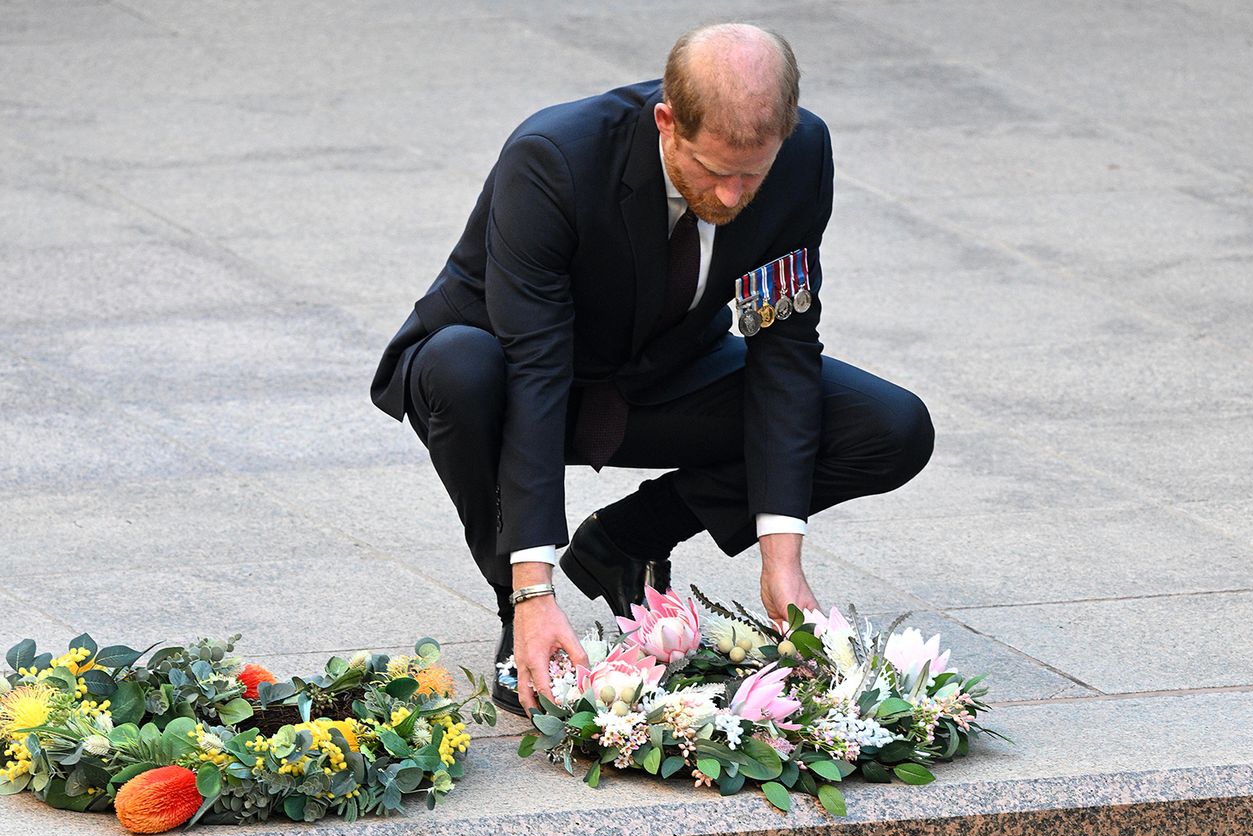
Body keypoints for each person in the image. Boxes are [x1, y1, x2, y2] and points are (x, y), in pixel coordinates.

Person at [370, 23, 934, 717]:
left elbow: (781, 342)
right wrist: (531, 588)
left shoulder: (801, 155)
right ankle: (522, 617)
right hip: (515, 374)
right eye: (713, 171)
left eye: (750, 175)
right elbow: (535, 371)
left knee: (891, 426)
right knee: (460, 367)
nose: (731, 197)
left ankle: (627, 538)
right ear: (666, 122)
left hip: (670, 366)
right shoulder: (553, 159)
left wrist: (781, 560)